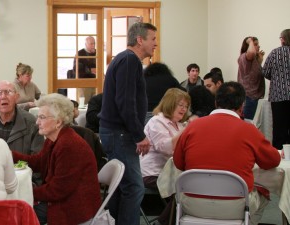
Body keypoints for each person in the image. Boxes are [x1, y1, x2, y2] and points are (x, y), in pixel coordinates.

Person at [173, 81, 281, 225]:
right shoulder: (249, 130)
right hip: (235, 207)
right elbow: (273, 161)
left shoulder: (192, 127)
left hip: (192, 204)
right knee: (263, 194)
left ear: (216, 102)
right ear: (242, 106)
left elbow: (179, 163)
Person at [99, 22, 157, 225]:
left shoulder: (126, 60)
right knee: (134, 187)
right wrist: (139, 135)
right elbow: (125, 103)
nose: (155, 44)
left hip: (117, 133)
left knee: (121, 187)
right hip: (119, 133)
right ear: (140, 40)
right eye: (153, 39)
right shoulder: (129, 60)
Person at [12, 93, 101, 225]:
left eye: (42, 117)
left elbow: (57, 190)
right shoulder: (54, 139)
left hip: (73, 211)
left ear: (58, 121)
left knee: (16, 213)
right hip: (63, 202)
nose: (37, 122)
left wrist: (24, 192)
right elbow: (38, 162)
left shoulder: (69, 146)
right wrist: (9, 154)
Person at [140, 88, 190, 225]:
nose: (184, 109)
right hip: (153, 173)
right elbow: (166, 148)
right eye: (181, 105)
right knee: (184, 189)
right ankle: (163, 222)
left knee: (191, 185)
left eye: (186, 106)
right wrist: (187, 130)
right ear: (170, 103)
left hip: (171, 173)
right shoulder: (156, 122)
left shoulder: (179, 125)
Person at [0, 80, 44, 155]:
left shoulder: (32, 123)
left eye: (8, 92)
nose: (3, 97)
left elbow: (37, 159)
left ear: (16, 97)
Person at [263, 29, 290, 150]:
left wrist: (276, 77)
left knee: (279, 128)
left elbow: (265, 72)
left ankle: (279, 156)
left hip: (278, 96)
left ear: (283, 39)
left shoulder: (275, 53)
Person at [237, 36, 265, 120]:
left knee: (249, 122)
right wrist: (250, 41)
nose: (258, 46)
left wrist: (260, 61)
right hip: (249, 97)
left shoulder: (252, 59)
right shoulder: (245, 57)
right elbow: (251, 52)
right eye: (255, 44)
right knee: (247, 122)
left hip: (252, 97)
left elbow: (254, 74)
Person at [72, 36, 97, 105]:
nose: (93, 46)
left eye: (94, 43)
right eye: (91, 44)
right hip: (83, 82)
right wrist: (90, 70)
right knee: (83, 104)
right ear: (86, 44)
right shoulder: (80, 53)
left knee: (95, 103)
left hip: (95, 81)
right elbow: (76, 68)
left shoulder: (97, 53)